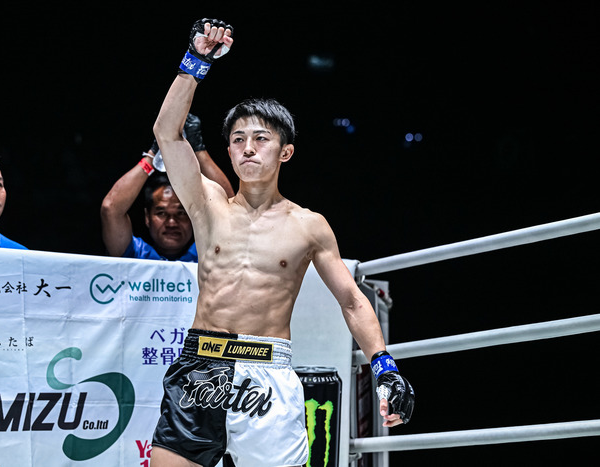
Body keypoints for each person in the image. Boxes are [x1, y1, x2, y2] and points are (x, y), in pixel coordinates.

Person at [148, 19, 415, 467]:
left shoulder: (309, 225)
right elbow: (166, 133)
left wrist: (384, 365)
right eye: (238, 140)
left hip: (267, 373)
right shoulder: (206, 204)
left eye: (261, 138)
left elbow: (352, 299)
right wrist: (195, 61)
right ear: (228, 152)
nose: (248, 148)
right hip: (200, 368)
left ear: (285, 151)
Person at [100, 113, 233, 261]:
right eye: (161, 213)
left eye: (181, 213)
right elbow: (110, 209)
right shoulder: (135, 255)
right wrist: (153, 154)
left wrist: (197, 149)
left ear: (193, 216)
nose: (172, 222)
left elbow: (229, 208)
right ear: (147, 217)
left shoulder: (209, 255)